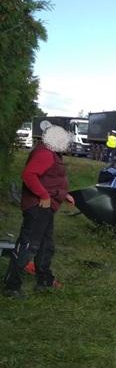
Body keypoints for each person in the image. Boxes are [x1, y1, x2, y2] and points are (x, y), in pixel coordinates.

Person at [3, 125, 75, 299]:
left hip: (46, 206)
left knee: (46, 246)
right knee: (28, 246)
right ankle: (11, 287)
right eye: (62, 140)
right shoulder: (45, 153)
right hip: (38, 206)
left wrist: (63, 194)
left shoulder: (51, 153)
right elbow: (28, 175)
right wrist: (43, 195)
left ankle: (44, 281)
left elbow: (50, 179)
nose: (65, 143)